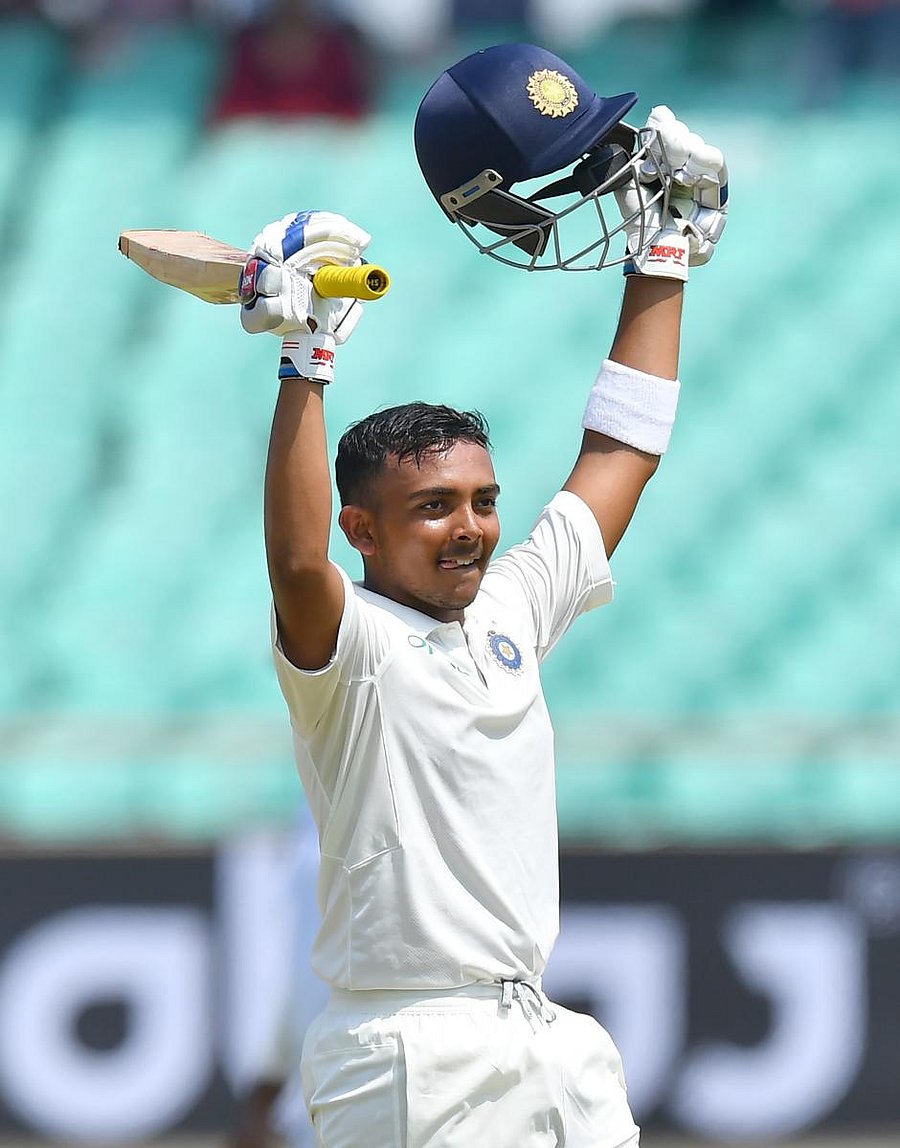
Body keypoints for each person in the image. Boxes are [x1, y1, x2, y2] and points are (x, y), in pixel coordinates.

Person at [236, 42, 728, 1148]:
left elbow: (620, 453)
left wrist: (665, 254)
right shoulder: (346, 650)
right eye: (434, 508)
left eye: (481, 500)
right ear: (366, 527)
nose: (468, 526)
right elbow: (296, 560)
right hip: (408, 1052)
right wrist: (306, 360)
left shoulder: (510, 609)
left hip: (546, 1037)